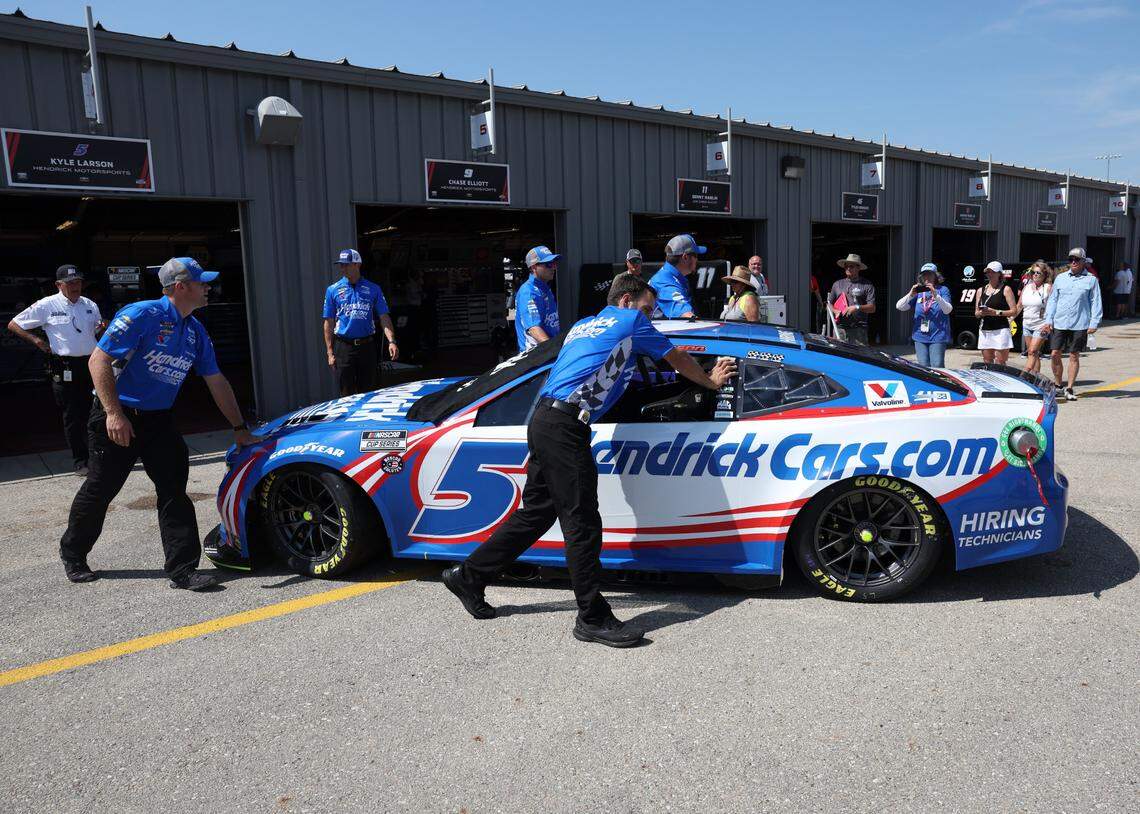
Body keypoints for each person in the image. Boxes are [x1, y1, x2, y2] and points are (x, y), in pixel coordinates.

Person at [441, 273, 737, 648]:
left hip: (545, 420)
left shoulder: (583, 326)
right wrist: (710, 381)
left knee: (535, 513)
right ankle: (592, 618)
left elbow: (612, 374)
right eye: (647, 309)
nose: (650, 317)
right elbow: (676, 358)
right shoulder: (630, 322)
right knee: (582, 521)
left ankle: (469, 576)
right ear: (627, 302)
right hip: (566, 426)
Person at [58, 258, 254, 589]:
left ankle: (183, 569)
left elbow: (215, 379)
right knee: (101, 489)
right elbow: (99, 361)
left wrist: (239, 427)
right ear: (181, 287)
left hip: (159, 420)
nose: (208, 288)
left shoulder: (195, 330)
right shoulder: (142, 315)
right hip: (117, 416)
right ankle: (73, 553)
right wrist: (114, 414)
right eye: (201, 283)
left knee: (174, 491)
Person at [8, 265, 104, 474]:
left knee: (96, 410)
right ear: (58, 285)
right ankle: (81, 460)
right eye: (70, 283)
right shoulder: (47, 305)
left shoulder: (89, 305)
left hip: (91, 364)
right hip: (65, 366)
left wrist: (103, 327)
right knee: (72, 414)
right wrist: (36, 339)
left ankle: (98, 455)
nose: (75, 286)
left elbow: (97, 328)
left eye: (78, 282)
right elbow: (14, 324)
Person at [322, 248, 399, 397]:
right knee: (346, 393)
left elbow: (384, 316)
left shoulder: (373, 289)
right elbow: (328, 322)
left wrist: (392, 341)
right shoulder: (333, 290)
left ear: (357, 264)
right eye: (341, 265)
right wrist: (330, 352)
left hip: (367, 347)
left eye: (346, 264)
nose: (342, 268)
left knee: (369, 392)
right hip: (343, 347)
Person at [1042, 247, 1102, 400]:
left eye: (1076, 259)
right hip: (1059, 322)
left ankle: (1069, 388)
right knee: (1055, 354)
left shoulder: (1091, 279)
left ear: (1083, 261)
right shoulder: (1060, 278)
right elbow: (1053, 300)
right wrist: (1048, 320)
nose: (1073, 262)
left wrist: (1094, 322)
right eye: (1071, 260)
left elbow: (1096, 302)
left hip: (1080, 323)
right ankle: (1057, 385)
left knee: (1074, 356)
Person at [895, 262, 952, 367]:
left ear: (936, 276)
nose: (927, 277)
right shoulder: (919, 292)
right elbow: (900, 306)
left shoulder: (943, 290)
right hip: (920, 336)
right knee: (923, 368)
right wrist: (910, 294)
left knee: (937, 366)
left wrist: (936, 295)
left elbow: (947, 310)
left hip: (938, 336)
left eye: (930, 274)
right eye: (924, 274)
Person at [514, 245, 561, 353]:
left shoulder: (545, 289)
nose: (553, 268)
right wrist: (556, 352)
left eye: (554, 264)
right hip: (535, 357)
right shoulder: (529, 292)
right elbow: (534, 329)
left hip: (546, 351)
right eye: (548, 264)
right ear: (534, 267)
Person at [649, 234, 703, 319]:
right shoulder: (664, 282)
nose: (697, 259)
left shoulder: (673, 277)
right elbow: (687, 316)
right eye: (695, 255)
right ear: (685, 257)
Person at [827, 254, 876, 345]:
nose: (848, 268)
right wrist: (835, 311)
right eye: (846, 266)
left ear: (859, 268)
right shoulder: (837, 284)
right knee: (839, 356)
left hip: (859, 329)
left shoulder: (867, 285)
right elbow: (829, 304)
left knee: (860, 357)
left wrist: (856, 307)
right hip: (840, 328)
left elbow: (872, 308)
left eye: (851, 266)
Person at [974, 261, 1017, 364]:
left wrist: (996, 312)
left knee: (1000, 362)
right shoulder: (980, 290)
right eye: (988, 272)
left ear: (999, 274)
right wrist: (981, 313)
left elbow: (1014, 311)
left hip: (1001, 330)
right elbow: (976, 313)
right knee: (987, 361)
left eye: (993, 272)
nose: (990, 274)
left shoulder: (1006, 289)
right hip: (985, 330)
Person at [1017, 261, 1052, 375]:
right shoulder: (1026, 287)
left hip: (1041, 325)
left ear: (1044, 275)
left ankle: (1023, 376)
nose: (1035, 274)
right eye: (1033, 272)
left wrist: (1050, 323)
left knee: (1031, 351)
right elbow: (1019, 306)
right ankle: (1036, 378)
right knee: (1034, 354)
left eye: (1038, 272)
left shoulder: (1047, 288)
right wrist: (1010, 319)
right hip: (1027, 324)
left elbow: (1054, 307)